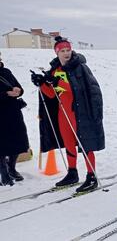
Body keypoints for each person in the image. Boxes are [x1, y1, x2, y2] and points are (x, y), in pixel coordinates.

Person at [31, 36, 105, 193]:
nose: (66, 53)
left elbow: (82, 90)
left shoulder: (79, 67)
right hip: (62, 114)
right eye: (62, 51)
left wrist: (58, 83)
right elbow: (51, 94)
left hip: (79, 112)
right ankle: (72, 173)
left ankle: (91, 176)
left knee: (85, 143)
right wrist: (42, 83)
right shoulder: (55, 70)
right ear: (56, 53)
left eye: (68, 50)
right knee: (69, 143)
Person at [0, 52, 29, 186]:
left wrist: (19, 90)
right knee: (1, 143)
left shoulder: (6, 71)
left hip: (13, 112)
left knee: (18, 140)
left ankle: (12, 167)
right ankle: (4, 172)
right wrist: (6, 94)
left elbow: (19, 87)